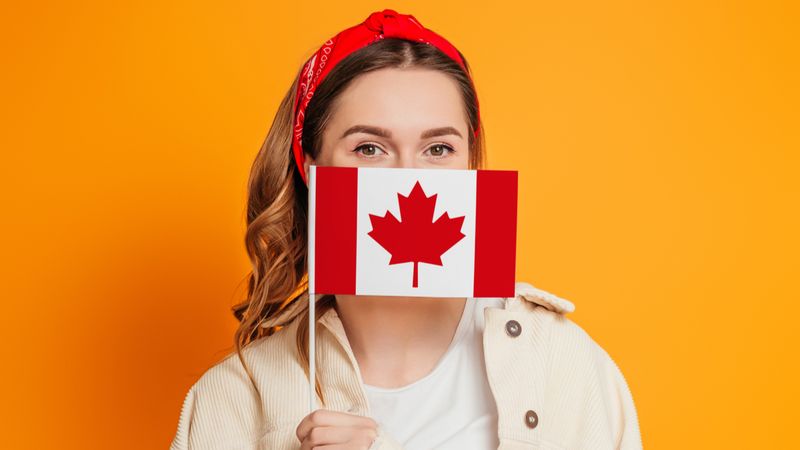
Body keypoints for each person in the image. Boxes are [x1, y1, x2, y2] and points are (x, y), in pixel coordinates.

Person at [170, 9, 642, 450]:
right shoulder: (232, 399)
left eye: (438, 149)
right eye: (370, 148)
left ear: (470, 163)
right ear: (311, 168)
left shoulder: (564, 365)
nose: (406, 178)